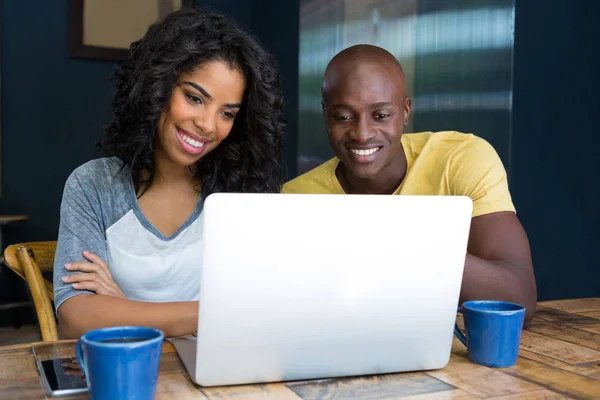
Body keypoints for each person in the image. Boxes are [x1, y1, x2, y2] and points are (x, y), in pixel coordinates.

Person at [53, 7, 286, 339]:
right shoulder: (94, 185)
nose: (207, 125)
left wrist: (123, 310)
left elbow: (262, 311)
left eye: (227, 113)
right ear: (157, 87)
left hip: (216, 374)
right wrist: (209, 314)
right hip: (130, 370)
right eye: (194, 97)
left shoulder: (241, 193)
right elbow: (75, 318)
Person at [282, 44, 537, 326]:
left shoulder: (462, 158)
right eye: (343, 117)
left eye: (381, 115)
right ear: (325, 114)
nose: (362, 134)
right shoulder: (296, 198)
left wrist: (396, 237)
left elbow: (519, 298)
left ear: (405, 111)